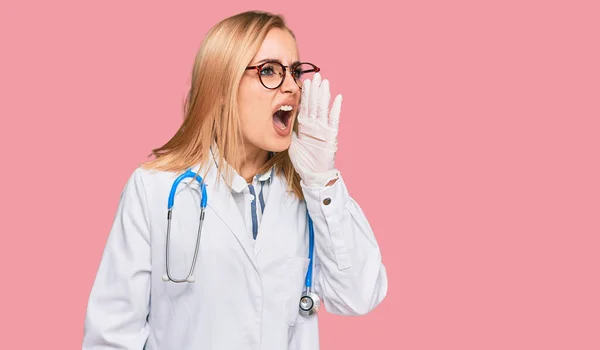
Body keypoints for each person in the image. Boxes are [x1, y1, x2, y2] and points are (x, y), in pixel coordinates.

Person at [82, 10, 387, 350]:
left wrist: (322, 180)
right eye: (269, 70)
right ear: (222, 87)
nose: (291, 86)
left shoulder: (309, 194)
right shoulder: (153, 189)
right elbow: (111, 338)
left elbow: (360, 295)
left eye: (296, 72)